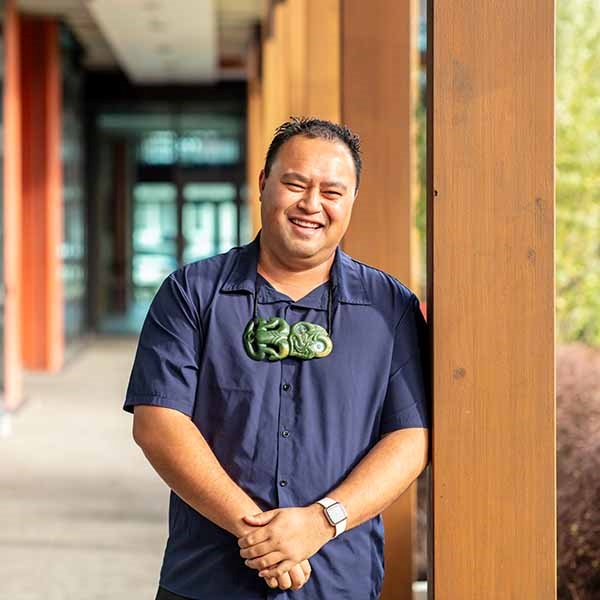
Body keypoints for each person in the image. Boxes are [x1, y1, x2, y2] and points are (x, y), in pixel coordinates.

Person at [124, 117, 430, 600]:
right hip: (207, 579)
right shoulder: (191, 293)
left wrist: (320, 522)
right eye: (295, 184)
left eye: (332, 191)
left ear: (352, 201)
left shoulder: (389, 308)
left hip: (337, 581)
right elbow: (158, 423)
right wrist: (258, 534)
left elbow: (411, 436)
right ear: (264, 184)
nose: (312, 204)